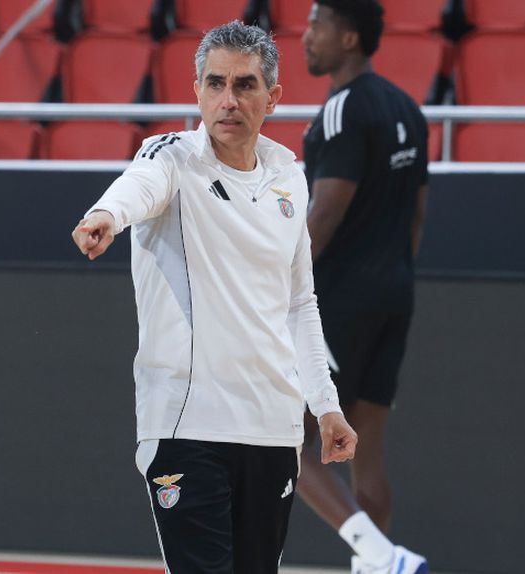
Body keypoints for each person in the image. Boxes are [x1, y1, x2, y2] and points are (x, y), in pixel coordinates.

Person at [70, 21, 358, 574]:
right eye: (215, 83)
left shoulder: (288, 177)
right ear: (196, 90)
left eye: (245, 85)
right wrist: (107, 214)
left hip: (272, 430)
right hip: (186, 427)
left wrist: (325, 406)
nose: (228, 100)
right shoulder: (172, 158)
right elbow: (139, 184)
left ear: (272, 98)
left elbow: (300, 304)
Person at [299, 1, 430, 573]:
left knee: (290, 443)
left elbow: (323, 214)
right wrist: (391, 277)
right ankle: (378, 567)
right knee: (365, 452)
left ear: (348, 38)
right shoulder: (408, 107)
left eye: (316, 25)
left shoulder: (342, 110)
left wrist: (274, 288)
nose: (305, 37)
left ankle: (381, 557)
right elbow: (417, 216)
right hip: (395, 292)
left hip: (340, 299)